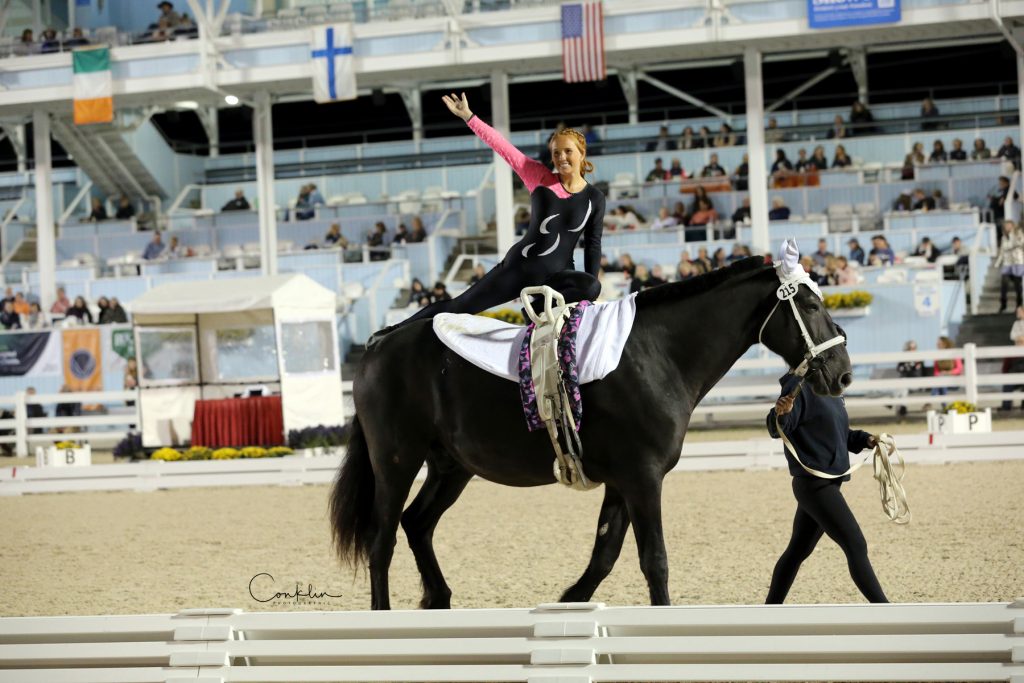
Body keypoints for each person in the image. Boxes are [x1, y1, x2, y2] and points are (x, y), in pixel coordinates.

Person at [380, 92, 605, 336]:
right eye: (556, 152)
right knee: (459, 307)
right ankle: (392, 333)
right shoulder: (539, 176)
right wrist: (469, 116)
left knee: (592, 285)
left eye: (568, 151)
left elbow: (593, 246)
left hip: (556, 278)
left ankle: (537, 308)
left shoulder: (595, 198)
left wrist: (585, 300)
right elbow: (502, 146)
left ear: (582, 153)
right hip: (519, 268)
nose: (561, 157)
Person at [765, 369, 888, 604]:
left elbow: (839, 434)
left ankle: (769, 610)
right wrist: (781, 415)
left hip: (827, 483)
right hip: (814, 485)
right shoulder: (798, 386)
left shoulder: (831, 389)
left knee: (797, 551)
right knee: (855, 543)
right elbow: (779, 427)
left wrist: (866, 440)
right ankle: (885, 610)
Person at [995, 220, 1024, 312]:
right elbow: (1002, 251)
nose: (1007, 227)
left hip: (1017, 261)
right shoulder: (1004, 237)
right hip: (1007, 263)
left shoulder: (1018, 234)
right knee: (1004, 283)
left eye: (1009, 225)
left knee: (1017, 285)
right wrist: (997, 263)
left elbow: (1020, 244)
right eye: (1006, 226)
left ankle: (1019, 305)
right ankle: (1003, 304)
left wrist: (1013, 236)